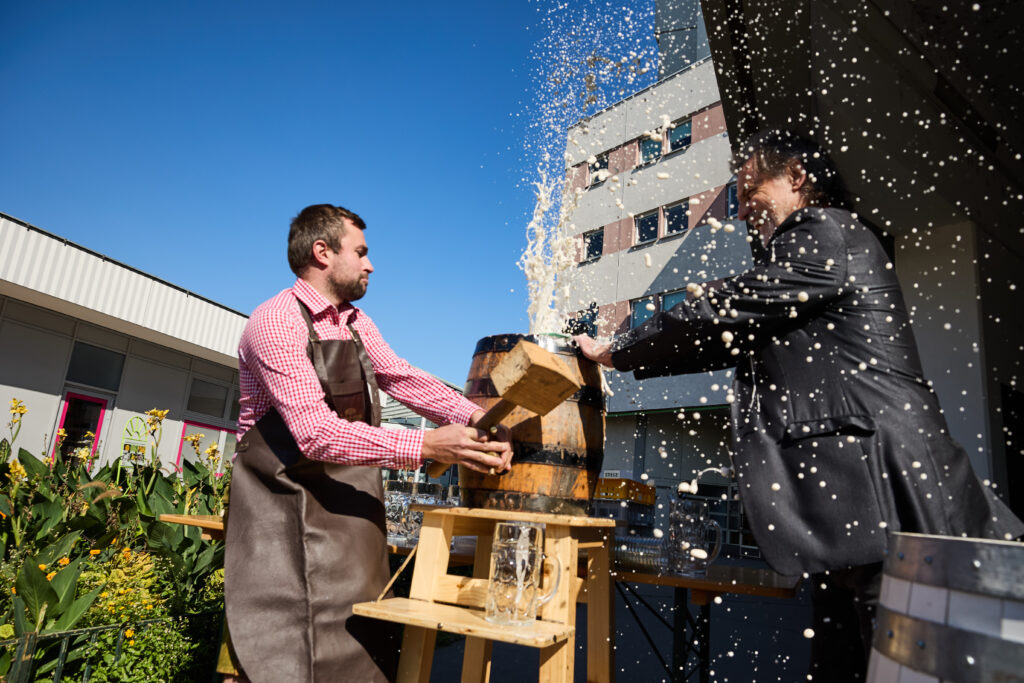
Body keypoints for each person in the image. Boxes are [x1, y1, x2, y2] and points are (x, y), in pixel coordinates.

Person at [574, 130, 1024, 681]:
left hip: (894, 499)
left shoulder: (826, 229)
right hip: (859, 512)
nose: (742, 210)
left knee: (911, 668)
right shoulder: (809, 256)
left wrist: (619, 348)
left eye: (749, 190)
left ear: (796, 177)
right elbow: (729, 335)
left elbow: (729, 309)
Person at [223, 204, 512, 683]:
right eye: (360, 252)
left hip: (350, 511)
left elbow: (402, 377)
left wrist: (477, 417)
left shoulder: (355, 322)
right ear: (322, 252)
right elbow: (314, 433)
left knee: (362, 642)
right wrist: (427, 445)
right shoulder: (275, 321)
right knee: (276, 652)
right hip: (281, 507)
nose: (370, 265)